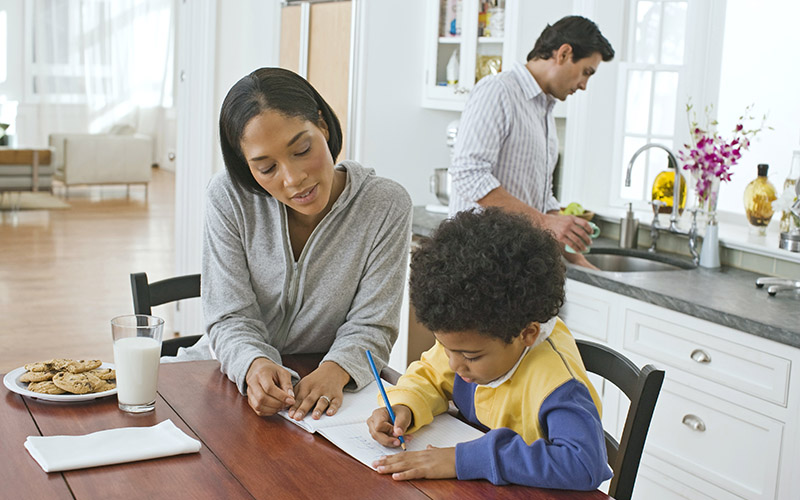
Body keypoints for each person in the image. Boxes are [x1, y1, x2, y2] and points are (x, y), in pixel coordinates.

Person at [179, 67, 412, 422]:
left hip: (332, 397)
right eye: (266, 167)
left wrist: (336, 369)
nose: (293, 179)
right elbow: (228, 315)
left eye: (302, 149)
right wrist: (254, 363)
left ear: (323, 124)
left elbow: (374, 324)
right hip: (225, 377)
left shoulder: (385, 205)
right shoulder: (229, 197)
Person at [366, 208, 611, 489]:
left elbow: (584, 464)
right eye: (446, 349)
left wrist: (462, 460)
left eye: (471, 356)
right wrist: (403, 405)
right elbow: (429, 377)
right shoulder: (470, 340)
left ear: (527, 333)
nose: (455, 365)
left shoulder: (557, 383)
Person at [448, 15, 614, 268]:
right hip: (478, 263)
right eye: (586, 72)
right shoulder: (498, 91)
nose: (584, 85)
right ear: (564, 53)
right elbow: (469, 174)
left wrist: (581, 262)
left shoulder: (544, 109)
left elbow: (542, 198)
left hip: (517, 264)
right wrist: (545, 222)